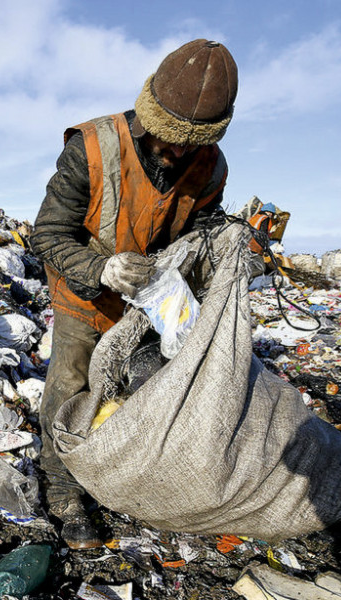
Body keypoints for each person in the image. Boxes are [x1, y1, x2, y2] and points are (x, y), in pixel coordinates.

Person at [30, 39, 238, 549]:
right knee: (69, 385)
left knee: (153, 387)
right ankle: (62, 491)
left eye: (191, 145)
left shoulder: (211, 167)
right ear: (150, 118)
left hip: (152, 298)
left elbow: (201, 231)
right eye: (170, 141)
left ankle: (128, 476)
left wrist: (226, 249)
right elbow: (48, 234)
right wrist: (102, 268)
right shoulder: (92, 147)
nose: (179, 153)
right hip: (85, 292)